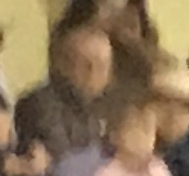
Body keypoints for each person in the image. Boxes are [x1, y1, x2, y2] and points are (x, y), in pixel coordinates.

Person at [16, 18, 119, 163]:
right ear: (64, 65)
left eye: (103, 66)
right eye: (86, 65)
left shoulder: (104, 107)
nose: (95, 73)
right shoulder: (39, 106)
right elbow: (65, 163)